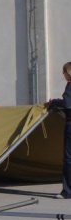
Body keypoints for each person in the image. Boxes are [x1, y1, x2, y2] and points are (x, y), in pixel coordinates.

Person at [48, 61, 71, 199]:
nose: (63, 75)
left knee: (68, 159)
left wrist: (54, 102)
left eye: (64, 72)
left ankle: (67, 191)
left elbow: (67, 103)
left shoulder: (70, 86)